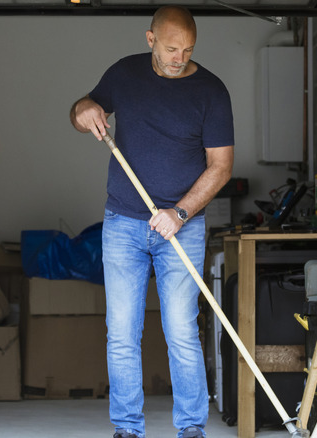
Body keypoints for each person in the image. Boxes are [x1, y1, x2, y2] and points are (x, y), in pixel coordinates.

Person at [69, 5, 234, 438]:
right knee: (122, 333)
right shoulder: (124, 75)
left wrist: (179, 213)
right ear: (150, 40)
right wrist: (84, 110)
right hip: (123, 222)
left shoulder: (211, 91)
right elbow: (83, 109)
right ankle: (127, 429)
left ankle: (192, 429)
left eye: (188, 49)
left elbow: (220, 167)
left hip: (183, 226)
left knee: (181, 330)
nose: (179, 57)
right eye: (171, 48)